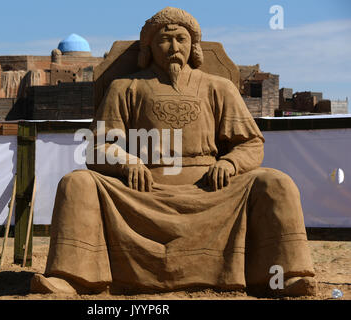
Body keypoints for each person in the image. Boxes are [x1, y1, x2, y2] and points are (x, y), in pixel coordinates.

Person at [31, 7, 317, 297]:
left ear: (193, 47)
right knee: (77, 182)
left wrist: (229, 164)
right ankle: (72, 277)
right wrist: (127, 163)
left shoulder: (219, 87)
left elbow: (251, 143)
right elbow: (98, 146)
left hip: (210, 190)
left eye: (181, 39)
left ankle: (284, 277)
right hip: (143, 191)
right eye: (164, 41)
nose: (174, 48)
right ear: (150, 48)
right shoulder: (125, 87)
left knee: (275, 183)